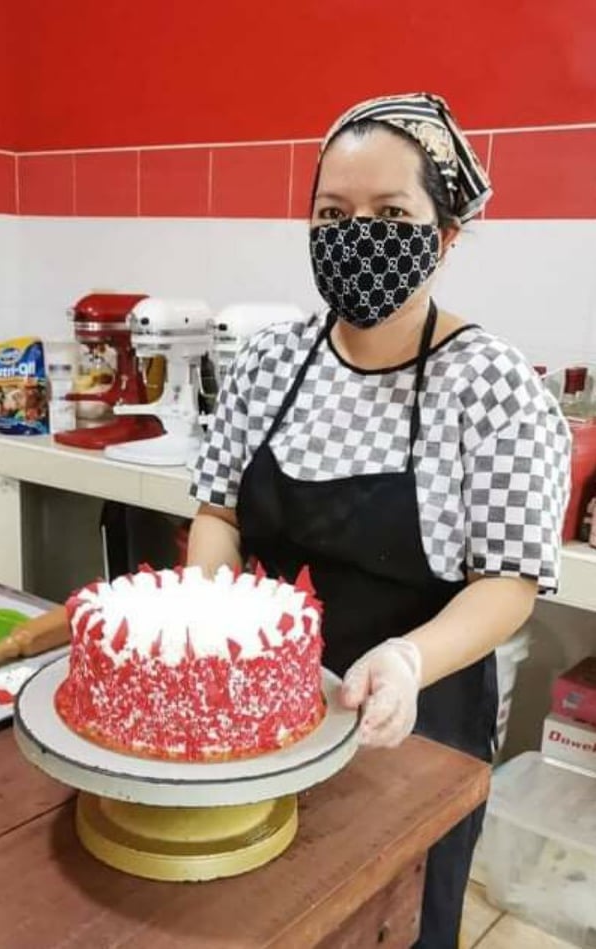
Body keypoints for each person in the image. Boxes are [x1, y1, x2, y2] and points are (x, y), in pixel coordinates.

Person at [188, 92, 571, 948]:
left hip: (410, 727)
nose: (356, 231)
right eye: (332, 212)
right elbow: (218, 511)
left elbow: (507, 585)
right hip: (260, 718)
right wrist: (204, 629)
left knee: (389, 921)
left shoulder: (494, 388)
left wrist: (406, 659)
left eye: (390, 212)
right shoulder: (269, 363)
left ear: (444, 233)